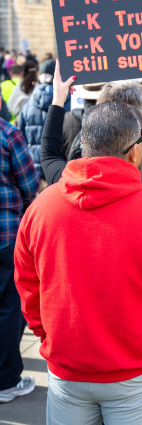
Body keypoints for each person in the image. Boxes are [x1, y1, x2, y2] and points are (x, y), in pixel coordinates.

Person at [14, 97, 142, 424]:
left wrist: (47, 337)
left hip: (68, 367)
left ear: (84, 146)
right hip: (136, 370)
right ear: (135, 151)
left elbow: (28, 287)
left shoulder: (40, 210)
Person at [41, 61, 142, 209]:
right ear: (133, 153)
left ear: (85, 143)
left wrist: (58, 99)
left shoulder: (67, 186)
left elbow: (49, 155)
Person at [0, 94, 39, 403]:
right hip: (6, 235)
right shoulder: (7, 133)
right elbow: (29, 184)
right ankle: (6, 380)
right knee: (10, 309)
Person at [18, 59, 71, 180]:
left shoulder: (27, 104)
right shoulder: (68, 102)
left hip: (35, 170)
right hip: (60, 171)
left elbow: (21, 138)